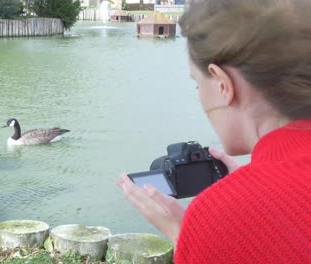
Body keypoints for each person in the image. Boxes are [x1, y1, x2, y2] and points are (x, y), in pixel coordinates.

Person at [117, 0, 310, 263]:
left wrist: (187, 234)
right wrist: (253, 184)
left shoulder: (220, 217)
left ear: (223, 84)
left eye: (197, 84)